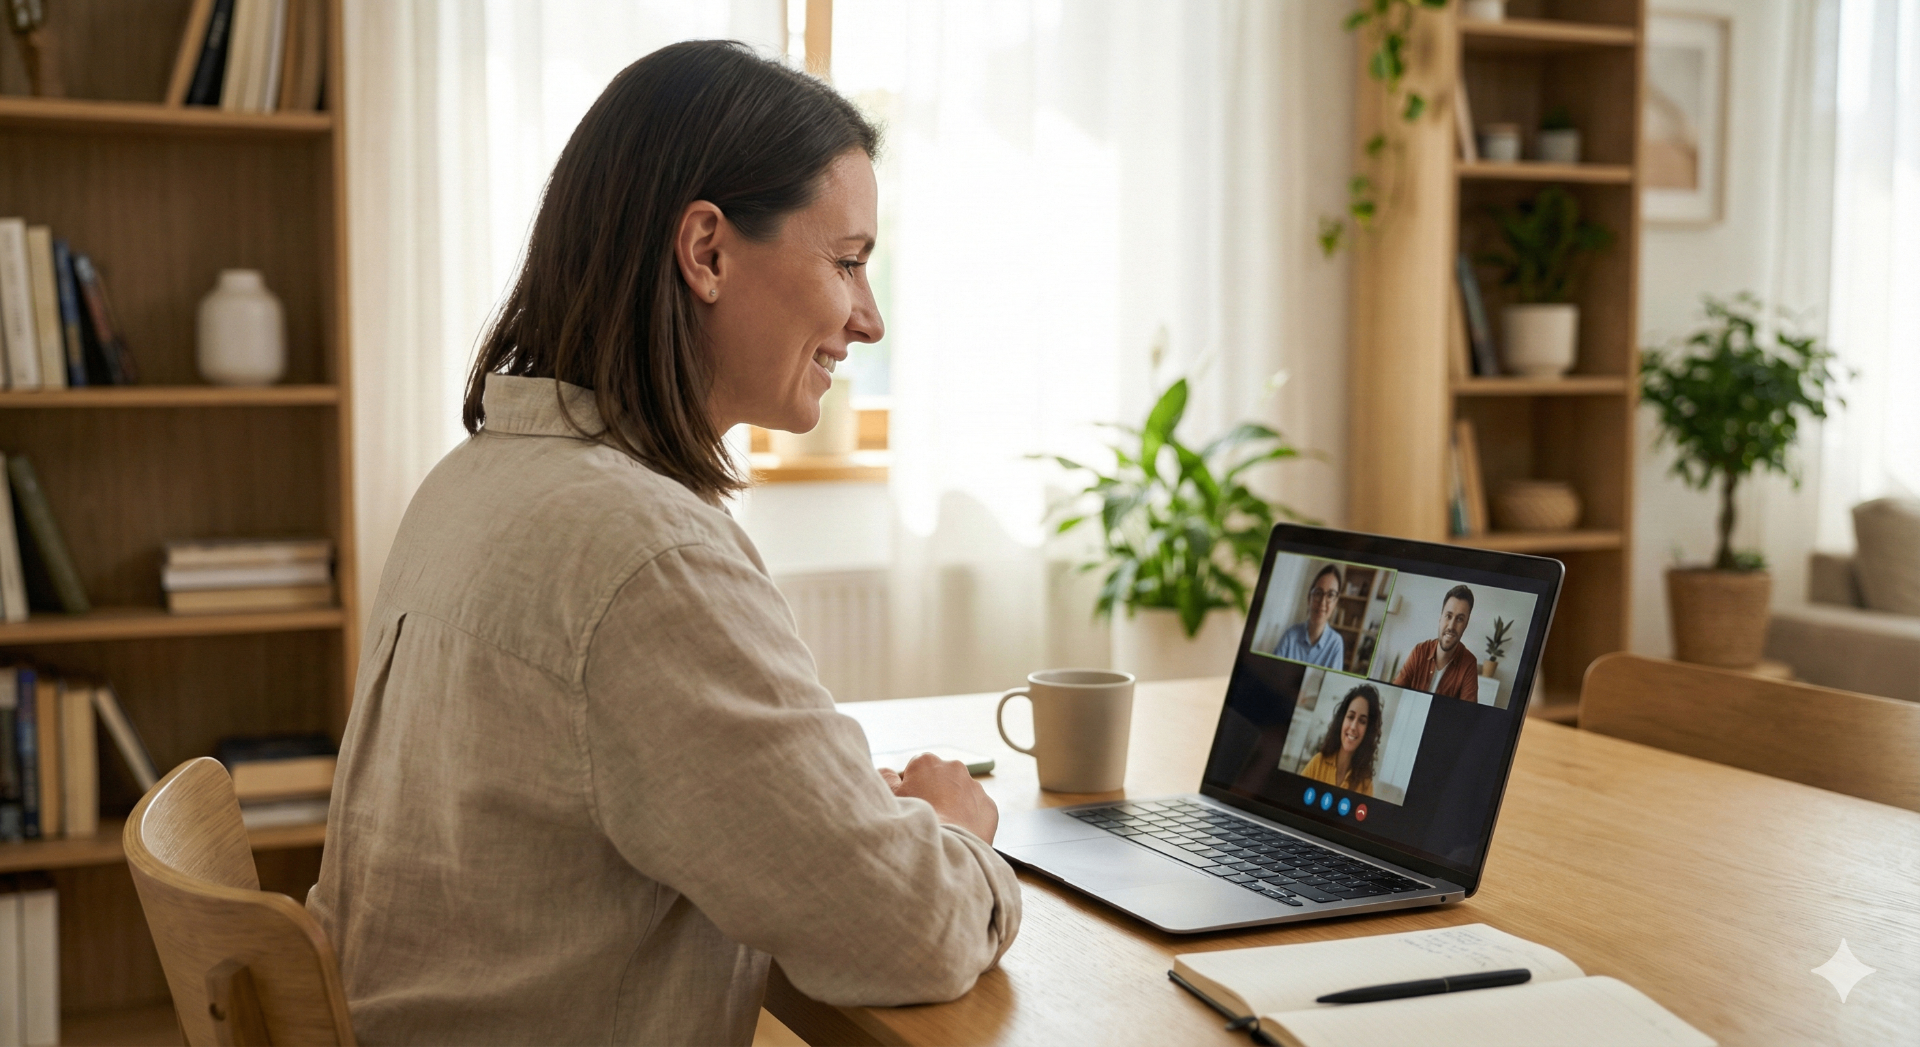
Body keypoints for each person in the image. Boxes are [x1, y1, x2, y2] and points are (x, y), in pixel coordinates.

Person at [308, 42, 1020, 1046]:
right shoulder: (642, 555)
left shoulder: (475, 480)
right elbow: (908, 932)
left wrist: (829, 807)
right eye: (849, 261)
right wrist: (956, 830)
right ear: (708, 252)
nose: (869, 318)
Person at [1392, 584, 1482, 701]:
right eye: (1448, 616)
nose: (1451, 626)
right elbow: (1395, 693)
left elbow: (1467, 714)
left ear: (1466, 624)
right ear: (1440, 618)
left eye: (1460, 619)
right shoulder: (1420, 651)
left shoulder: (1469, 664)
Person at [1298, 683, 1379, 796]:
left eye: (1362, 721)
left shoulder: (1366, 785)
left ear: (1368, 731)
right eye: (1350, 717)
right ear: (1342, 720)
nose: (1353, 727)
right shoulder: (1318, 762)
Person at [1271, 563, 1347, 669]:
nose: (1322, 603)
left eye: (1330, 595)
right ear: (1309, 598)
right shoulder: (1290, 635)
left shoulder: (1336, 644)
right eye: (1318, 593)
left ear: (1335, 603)